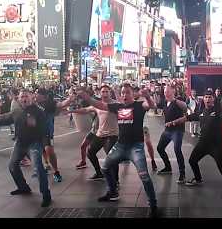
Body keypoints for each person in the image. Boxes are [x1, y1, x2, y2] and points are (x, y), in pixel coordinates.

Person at [76, 84, 159, 218]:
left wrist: (148, 96)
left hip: (136, 147)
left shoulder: (139, 106)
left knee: (144, 175)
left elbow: (152, 106)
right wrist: (88, 98)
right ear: (120, 95)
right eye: (123, 93)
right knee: (105, 167)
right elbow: (100, 105)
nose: (125, 95)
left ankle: (153, 204)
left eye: (127, 93)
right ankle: (113, 192)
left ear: (133, 94)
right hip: (120, 145)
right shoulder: (118, 107)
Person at [185, 90, 222, 204]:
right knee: (192, 161)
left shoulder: (218, 111)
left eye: (210, 97)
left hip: (215, 145)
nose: (207, 99)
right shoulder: (201, 111)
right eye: (206, 97)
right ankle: (198, 179)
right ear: (203, 99)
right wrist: (174, 122)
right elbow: (188, 118)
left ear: (213, 99)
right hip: (203, 143)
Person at [5, 90, 52, 208]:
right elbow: (6, 118)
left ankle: (46, 195)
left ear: (31, 98)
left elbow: (45, 129)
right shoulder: (17, 111)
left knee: (38, 168)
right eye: (22, 97)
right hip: (20, 143)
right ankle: (23, 187)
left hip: (34, 144)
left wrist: (35, 125)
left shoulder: (38, 112)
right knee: (12, 165)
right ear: (19, 99)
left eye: (26, 96)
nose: (24, 99)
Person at [67, 85, 119, 181]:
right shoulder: (97, 104)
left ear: (110, 93)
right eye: (103, 92)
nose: (105, 93)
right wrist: (72, 110)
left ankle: (116, 180)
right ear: (100, 93)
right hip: (100, 134)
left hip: (112, 135)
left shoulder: (115, 104)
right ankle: (99, 173)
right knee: (90, 153)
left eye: (107, 91)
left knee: (112, 158)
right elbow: (86, 110)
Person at [35, 88, 74, 183]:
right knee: (40, 150)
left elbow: (61, 104)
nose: (35, 95)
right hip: (35, 132)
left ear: (42, 96)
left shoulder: (50, 103)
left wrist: (70, 99)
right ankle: (46, 163)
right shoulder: (33, 103)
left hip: (47, 132)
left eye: (37, 93)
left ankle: (56, 172)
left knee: (49, 150)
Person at [156, 85, 188, 183]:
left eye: (168, 91)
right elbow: (155, 105)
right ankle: (168, 167)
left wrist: (174, 99)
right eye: (165, 92)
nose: (166, 93)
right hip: (167, 130)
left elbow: (185, 107)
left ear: (173, 91)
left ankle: (182, 174)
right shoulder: (165, 102)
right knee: (160, 148)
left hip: (177, 130)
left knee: (177, 150)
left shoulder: (177, 102)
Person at [134, 87, 157, 172]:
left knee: (147, 142)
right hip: (133, 126)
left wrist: (147, 97)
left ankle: (152, 160)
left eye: (136, 92)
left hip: (144, 125)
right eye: (134, 92)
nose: (134, 94)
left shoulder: (142, 101)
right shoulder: (129, 101)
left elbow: (152, 106)